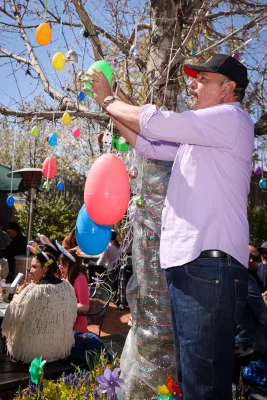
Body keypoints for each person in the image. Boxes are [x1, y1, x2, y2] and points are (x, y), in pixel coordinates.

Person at [84, 53, 254, 399]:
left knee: (203, 386)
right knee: (195, 379)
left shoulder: (230, 118)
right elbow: (147, 141)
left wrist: (109, 98)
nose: (194, 84)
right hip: (198, 270)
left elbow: (158, 122)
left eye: (203, 79)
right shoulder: (203, 137)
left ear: (229, 88)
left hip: (208, 268)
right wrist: (110, 108)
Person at [2, 242, 77, 363]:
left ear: (45, 268)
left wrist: (17, 296)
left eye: (34, 267)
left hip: (31, 355)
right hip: (60, 351)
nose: (30, 270)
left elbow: (9, 322)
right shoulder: (67, 287)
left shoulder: (32, 291)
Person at [234, 245, 267, 380]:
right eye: (249, 257)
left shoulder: (231, 275)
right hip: (247, 345)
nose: (252, 260)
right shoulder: (245, 278)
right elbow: (261, 313)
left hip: (235, 342)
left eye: (255, 258)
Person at [56, 242, 89, 333]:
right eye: (59, 264)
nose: (60, 267)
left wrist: (65, 305)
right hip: (63, 322)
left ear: (71, 265)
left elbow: (85, 306)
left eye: (63, 264)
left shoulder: (80, 279)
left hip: (76, 326)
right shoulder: (64, 277)